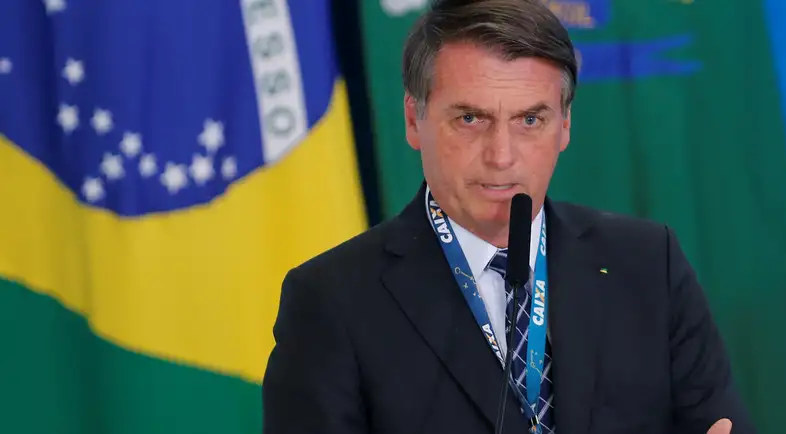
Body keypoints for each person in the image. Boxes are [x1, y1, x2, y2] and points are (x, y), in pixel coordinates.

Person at [261, 0, 754, 433]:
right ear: (414, 120)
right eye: (470, 119)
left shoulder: (647, 264)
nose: (502, 156)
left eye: (530, 120)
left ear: (565, 125)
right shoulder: (332, 301)